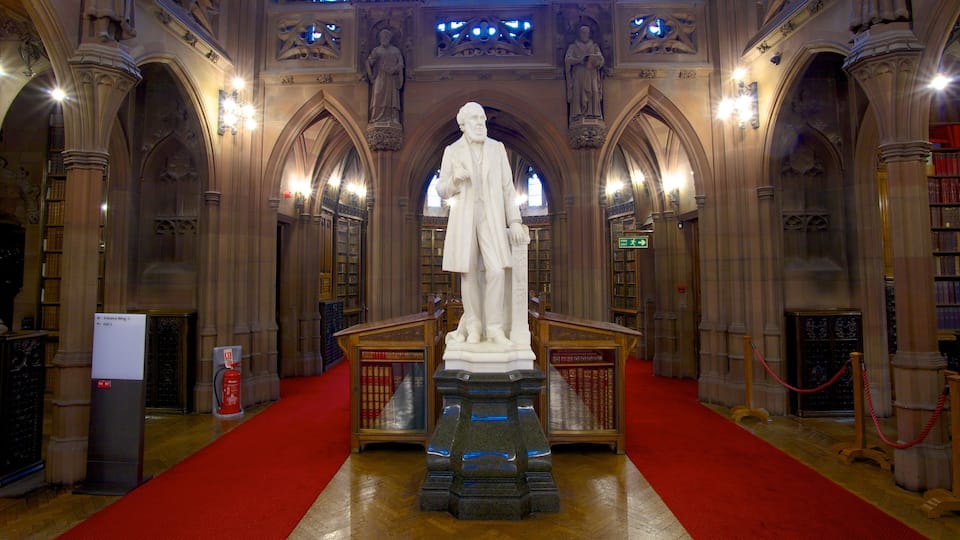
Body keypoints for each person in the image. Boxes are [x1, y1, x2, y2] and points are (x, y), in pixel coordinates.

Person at [437, 102, 525, 346]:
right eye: (474, 119)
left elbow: (508, 188)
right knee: (469, 274)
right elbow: (442, 189)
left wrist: (515, 220)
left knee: (496, 271)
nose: (480, 123)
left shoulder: (497, 149)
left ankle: (494, 328)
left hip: (491, 217)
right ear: (463, 124)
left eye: (482, 118)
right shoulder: (452, 151)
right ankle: (474, 326)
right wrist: (456, 180)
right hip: (465, 219)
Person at [564, 25, 604, 123]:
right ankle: (578, 114)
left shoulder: (594, 46)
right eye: (582, 32)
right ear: (579, 34)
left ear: (589, 34)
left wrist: (595, 59)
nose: (584, 35)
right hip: (579, 73)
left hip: (591, 73)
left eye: (586, 32)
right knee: (578, 93)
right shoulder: (573, 46)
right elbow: (568, 60)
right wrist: (579, 60)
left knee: (594, 91)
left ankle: (593, 113)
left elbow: (601, 59)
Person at [366, 28, 405, 125]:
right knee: (378, 95)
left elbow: (401, 64)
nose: (384, 38)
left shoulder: (395, 50)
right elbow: (368, 62)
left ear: (389, 38)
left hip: (391, 78)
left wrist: (394, 69)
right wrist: (370, 75)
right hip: (379, 76)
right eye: (382, 37)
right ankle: (376, 117)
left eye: (386, 36)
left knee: (392, 98)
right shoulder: (376, 50)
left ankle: (393, 118)